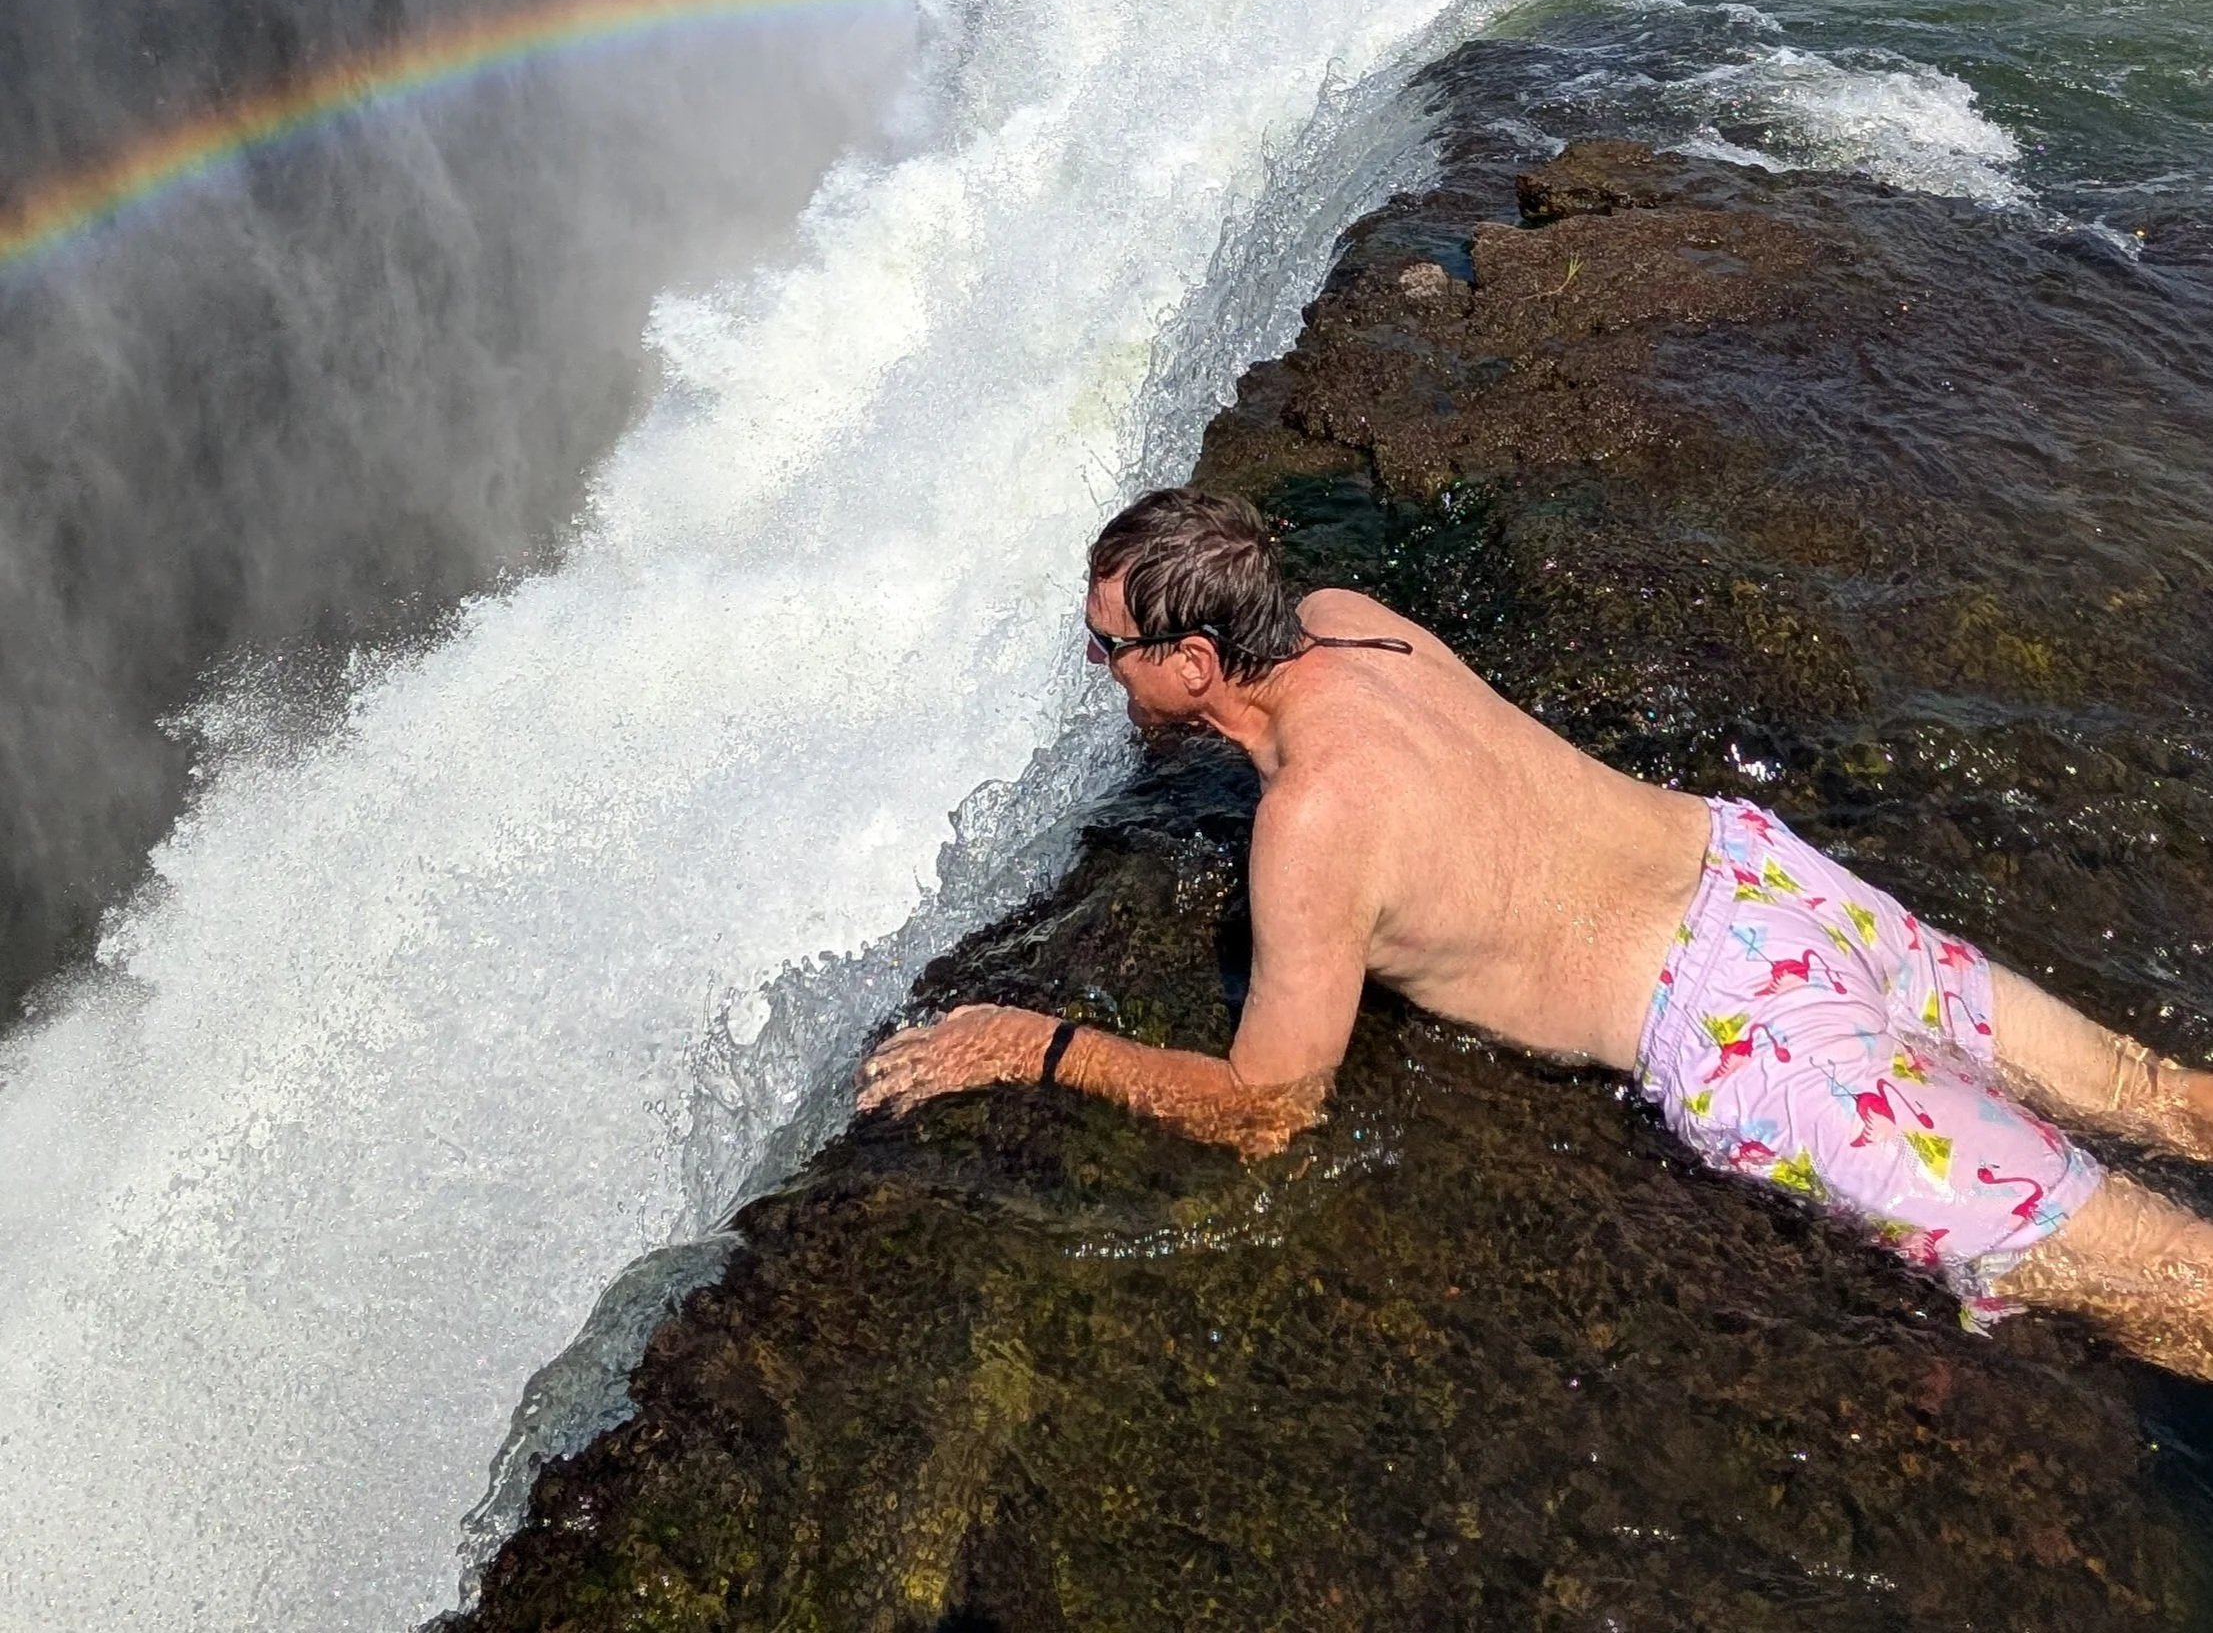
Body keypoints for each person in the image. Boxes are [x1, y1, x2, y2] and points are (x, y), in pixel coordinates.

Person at [860, 486, 2213, 1376]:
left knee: (2176, 1289)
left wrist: (1034, 1046)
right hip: (1763, 877)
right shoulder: (1348, 623)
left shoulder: (1311, 823)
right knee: (2163, 1099)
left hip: (1749, 1033)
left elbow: (1267, 1109)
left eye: (1107, 646)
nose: (1094, 663)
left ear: (1197, 665)